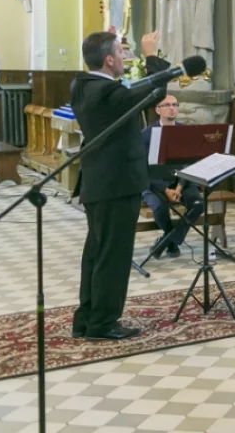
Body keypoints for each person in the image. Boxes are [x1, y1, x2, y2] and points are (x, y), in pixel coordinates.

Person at [71, 29, 168, 341]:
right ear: (109, 60)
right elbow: (155, 92)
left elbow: (129, 90)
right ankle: (102, 323)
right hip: (116, 184)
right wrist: (150, 55)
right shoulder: (108, 94)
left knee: (96, 252)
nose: (125, 57)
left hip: (98, 182)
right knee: (113, 256)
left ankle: (86, 318)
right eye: (120, 52)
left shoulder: (82, 85)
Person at [141, 95, 204, 259]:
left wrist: (179, 187)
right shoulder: (146, 135)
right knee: (159, 207)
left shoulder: (185, 132)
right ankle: (172, 242)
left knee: (198, 204)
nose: (172, 108)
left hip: (181, 181)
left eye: (175, 105)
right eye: (167, 105)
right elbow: (143, 168)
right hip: (153, 183)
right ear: (158, 110)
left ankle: (167, 241)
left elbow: (188, 164)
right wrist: (165, 190)